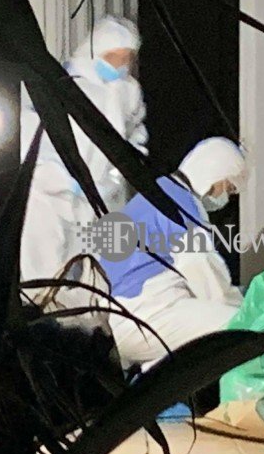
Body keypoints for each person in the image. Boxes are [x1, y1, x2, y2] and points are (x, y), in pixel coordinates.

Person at [100, 137, 248, 370]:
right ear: (214, 175)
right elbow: (206, 278)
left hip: (118, 320)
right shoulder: (182, 207)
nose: (226, 198)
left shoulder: (157, 192)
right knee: (242, 328)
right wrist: (246, 304)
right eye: (228, 187)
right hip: (149, 314)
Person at [20, 16, 148, 285]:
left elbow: (135, 138)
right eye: (113, 57)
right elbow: (33, 134)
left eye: (126, 58)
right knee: (45, 263)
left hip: (101, 195)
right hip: (51, 192)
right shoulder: (64, 82)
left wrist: (114, 178)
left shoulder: (128, 92)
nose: (120, 64)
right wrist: (59, 176)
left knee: (95, 267)